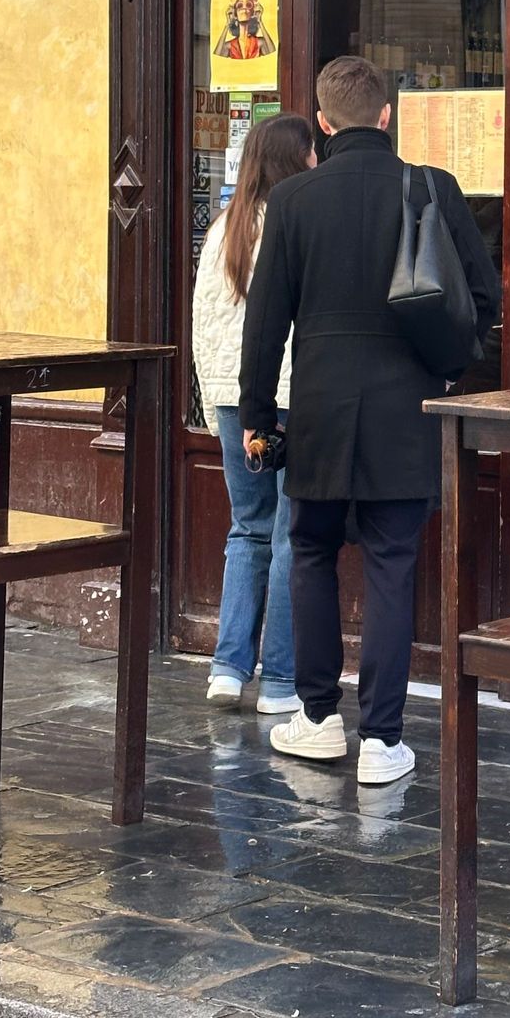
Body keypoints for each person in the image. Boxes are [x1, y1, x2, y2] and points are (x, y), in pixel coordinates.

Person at [239, 55, 500, 786]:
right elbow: (483, 297)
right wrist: (444, 367)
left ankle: (318, 719)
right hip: (405, 407)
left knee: (312, 554)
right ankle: (383, 740)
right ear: (387, 115)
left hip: (319, 408)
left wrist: (257, 415)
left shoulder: (292, 201)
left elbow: (265, 325)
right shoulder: (433, 187)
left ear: (323, 123)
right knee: (393, 563)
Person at [191, 112, 316, 714]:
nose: (317, 161)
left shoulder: (223, 228)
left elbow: (202, 321)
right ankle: (281, 681)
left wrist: (213, 398)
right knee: (291, 531)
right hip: (286, 395)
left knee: (247, 526)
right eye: (311, 152)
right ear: (295, 160)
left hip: (229, 397)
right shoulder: (296, 223)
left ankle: (227, 667)